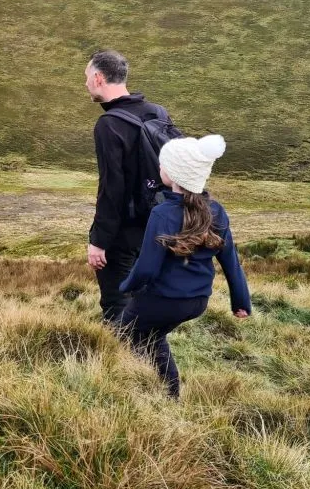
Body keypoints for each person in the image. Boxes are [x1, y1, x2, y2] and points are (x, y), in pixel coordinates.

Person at [116, 134, 252, 399]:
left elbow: (146, 268)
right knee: (152, 337)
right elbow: (231, 261)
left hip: (164, 299)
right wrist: (241, 302)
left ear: (175, 175)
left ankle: (126, 391)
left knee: (119, 336)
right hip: (197, 301)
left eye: (163, 165)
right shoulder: (216, 211)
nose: (159, 168)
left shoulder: (162, 213)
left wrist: (125, 286)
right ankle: (170, 395)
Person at [85, 50, 178, 323]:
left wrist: (99, 242)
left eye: (87, 77)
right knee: (147, 302)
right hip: (159, 226)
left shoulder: (109, 124)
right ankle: (154, 359)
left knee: (117, 305)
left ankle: (126, 363)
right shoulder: (158, 112)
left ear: (99, 78)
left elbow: (111, 189)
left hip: (124, 234)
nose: (86, 84)